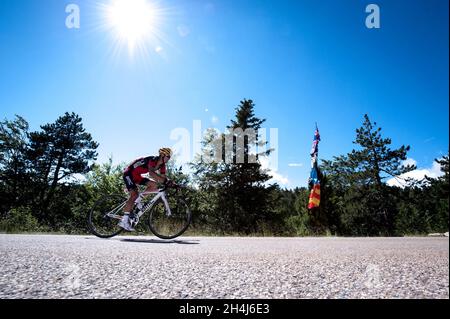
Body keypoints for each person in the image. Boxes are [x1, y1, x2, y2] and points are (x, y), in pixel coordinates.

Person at [118, 147, 173, 231]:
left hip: (137, 175)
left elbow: (163, 177)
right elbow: (151, 173)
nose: (169, 158)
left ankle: (138, 201)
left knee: (154, 185)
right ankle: (124, 221)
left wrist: (171, 183)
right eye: (168, 156)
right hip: (129, 173)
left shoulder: (162, 165)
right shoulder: (153, 160)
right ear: (162, 155)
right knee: (134, 195)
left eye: (170, 157)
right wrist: (166, 181)